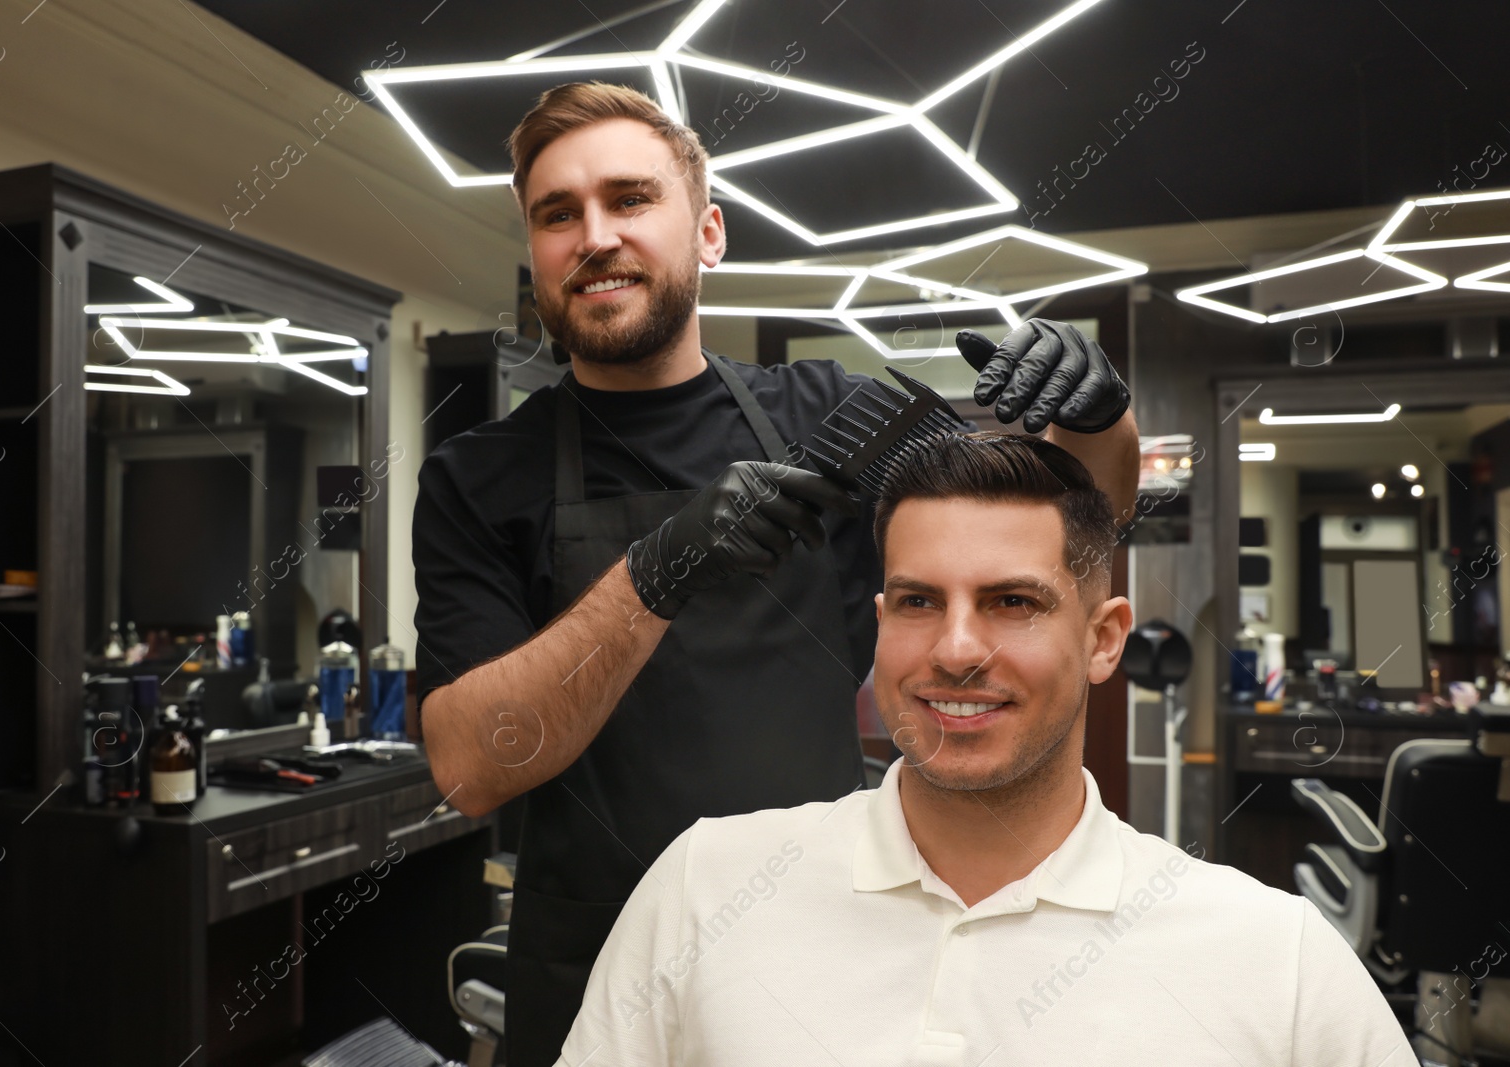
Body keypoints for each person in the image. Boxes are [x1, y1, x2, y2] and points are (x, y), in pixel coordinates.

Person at [412, 81, 1142, 1066]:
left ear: (706, 233)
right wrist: (659, 568)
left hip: (819, 955)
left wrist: (1103, 426)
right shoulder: (476, 476)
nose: (593, 236)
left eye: (630, 199)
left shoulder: (825, 416)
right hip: (589, 966)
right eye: (557, 214)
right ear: (537, 252)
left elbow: (1061, 547)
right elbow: (467, 766)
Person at [557, 431, 1416, 1067]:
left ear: (1104, 637)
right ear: (881, 620)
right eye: (919, 601)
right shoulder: (708, 888)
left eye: (1012, 602)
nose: (958, 649)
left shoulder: (1276, 961)